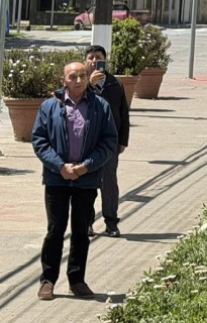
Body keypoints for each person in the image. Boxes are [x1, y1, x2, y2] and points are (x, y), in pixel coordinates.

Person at [31, 62, 119, 301]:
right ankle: (47, 281)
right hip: (56, 179)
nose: (79, 80)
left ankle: (77, 280)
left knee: (81, 232)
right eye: (73, 76)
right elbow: (39, 140)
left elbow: (109, 142)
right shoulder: (50, 107)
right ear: (64, 80)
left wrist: (85, 166)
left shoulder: (100, 107)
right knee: (55, 231)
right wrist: (60, 166)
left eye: (82, 76)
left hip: (86, 180)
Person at [85, 45, 130, 238]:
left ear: (105, 60)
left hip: (109, 143)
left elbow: (123, 114)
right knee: (86, 184)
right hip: (86, 143)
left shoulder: (115, 84)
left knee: (109, 182)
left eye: (99, 57)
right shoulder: (79, 83)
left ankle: (111, 223)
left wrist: (123, 140)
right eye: (91, 58)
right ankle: (86, 222)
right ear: (86, 61)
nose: (95, 61)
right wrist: (89, 85)